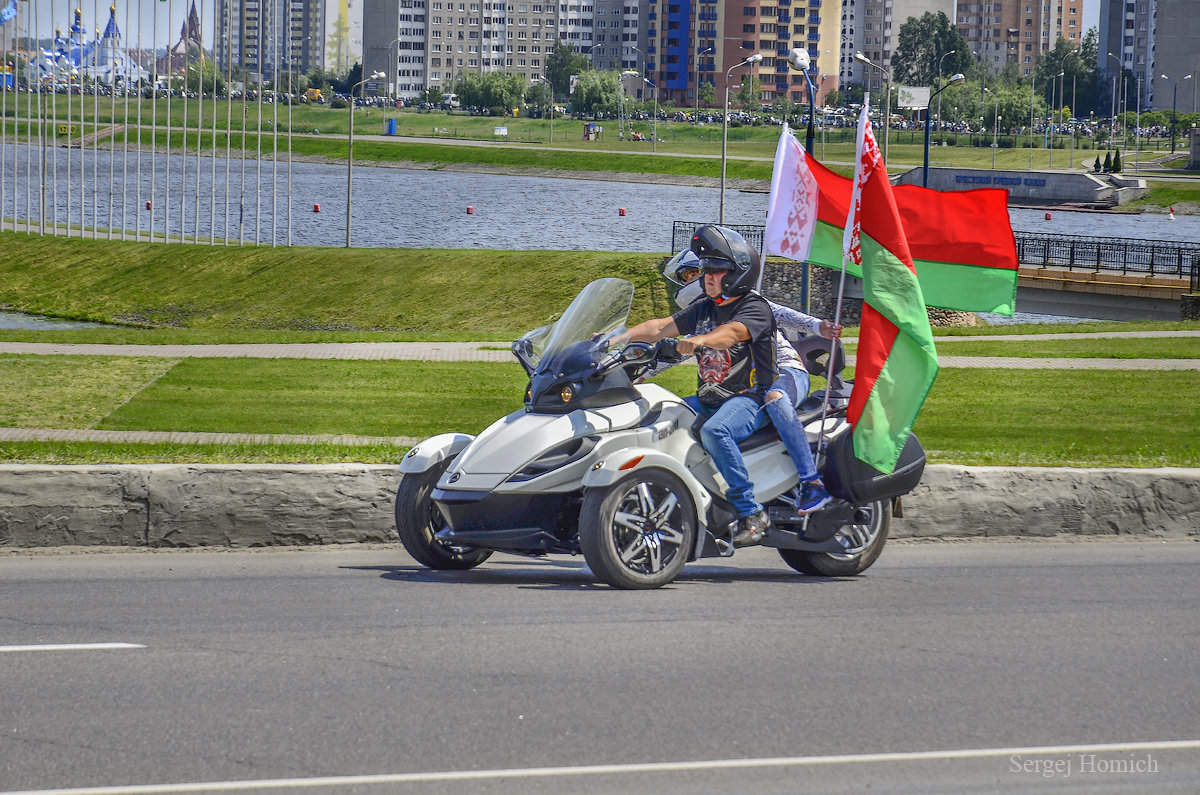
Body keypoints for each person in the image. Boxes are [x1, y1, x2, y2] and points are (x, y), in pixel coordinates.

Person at [621, 225, 777, 547]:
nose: (707, 275)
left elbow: (732, 334)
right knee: (658, 416)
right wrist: (613, 339)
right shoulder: (707, 306)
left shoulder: (754, 307)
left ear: (738, 273)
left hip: (749, 398)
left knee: (715, 431)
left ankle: (751, 512)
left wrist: (697, 341)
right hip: (709, 399)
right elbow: (659, 327)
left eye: (717, 269)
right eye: (705, 269)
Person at [661, 250, 841, 517]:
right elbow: (678, 350)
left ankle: (811, 483)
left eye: (696, 273)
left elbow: (779, 313)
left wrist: (817, 326)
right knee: (675, 412)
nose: (696, 279)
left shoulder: (746, 300)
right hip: (743, 385)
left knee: (775, 400)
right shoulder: (705, 312)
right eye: (689, 275)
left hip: (783, 370)